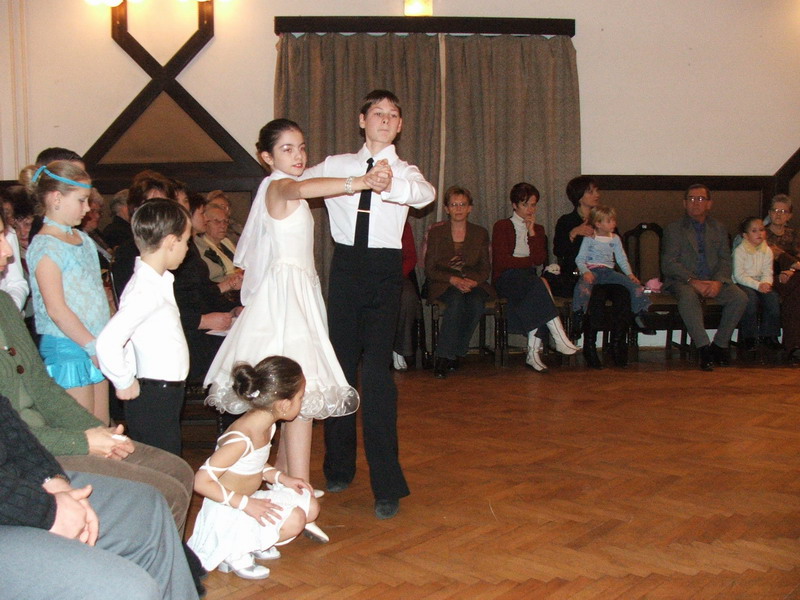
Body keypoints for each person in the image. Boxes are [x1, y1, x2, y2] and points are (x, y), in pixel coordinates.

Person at [205, 118, 371, 531]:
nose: (298, 156)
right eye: (287, 149)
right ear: (267, 157)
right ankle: (299, 491)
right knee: (300, 393)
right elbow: (302, 189)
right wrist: (359, 182)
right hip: (285, 300)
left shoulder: (282, 184)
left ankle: (285, 485)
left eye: (301, 147)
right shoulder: (278, 186)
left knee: (293, 397)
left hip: (298, 293)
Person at [0, 210, 194, 537]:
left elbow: (41, 386)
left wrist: (96, 430)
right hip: (29, 454)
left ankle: (165, 557)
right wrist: (82, 440)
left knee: (179, 470)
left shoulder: (4, 305)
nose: (8, 251)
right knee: (164, 490)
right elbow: (11, 438)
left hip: (47, 437)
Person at [304, 90, 436, 519]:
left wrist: (389, 183)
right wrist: (349, 183)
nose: (385, 119)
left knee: (377, 377)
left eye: (392, 115)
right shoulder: (338, 163)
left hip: (384, 271)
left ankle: (387, 485)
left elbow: (425, 195)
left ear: (400, 126)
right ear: (362, 120)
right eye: (377, 113)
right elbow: (299, 184)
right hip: (345, 267)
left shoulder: (406, 170)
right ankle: (338, 468)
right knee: (340, 370)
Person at [0, 393, 199, 600]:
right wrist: (45, 510)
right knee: (131, 589)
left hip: (14, 479)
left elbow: (7, 424)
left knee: (147, 507)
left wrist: (52, 479)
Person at [190, 356, 320, 581]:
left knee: (309, 505)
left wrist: (282, 478)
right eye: (300, 397)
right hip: (228, 510)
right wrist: (246, 504)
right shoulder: (241, 439)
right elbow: (200, 481)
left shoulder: (266, 425)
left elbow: (254, 465)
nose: (302, 401)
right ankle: (233, 552)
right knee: (296, 519)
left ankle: (255, 540)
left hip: (248, 499)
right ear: (283, 404)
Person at [97, 200, 192, 456]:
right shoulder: (145, 290)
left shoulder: (156, 283)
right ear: (171, 242)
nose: (187, 248)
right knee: (163, 462)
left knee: (167, 459)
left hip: (163, 393)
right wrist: (123, 380)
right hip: (154, 395)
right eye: (186, 241)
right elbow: (108, 341)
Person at [24, 161, 111, 423]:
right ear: (56, 198)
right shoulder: (45, 246)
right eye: (82, 200)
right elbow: (56, 309)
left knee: (102, 426)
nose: (88, 208)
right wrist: (92, 346)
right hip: (68, 347)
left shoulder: (83, 239)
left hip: (95, 341)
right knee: (83, 431)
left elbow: (97, 292)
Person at [492, 182, 579, 373]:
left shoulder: (538, 229)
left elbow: (539, 259)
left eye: (533, 205)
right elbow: (503, 261)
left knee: (537, 288)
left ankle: (534, 353)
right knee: (539, 285)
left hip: (528, 279)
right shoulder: (502, 226)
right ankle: (558, 336)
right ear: (515, 205)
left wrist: (531, 233)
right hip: (506, 278)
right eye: (525, 205)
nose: (530, 209)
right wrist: (528, 262)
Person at [661, 183, 747, 371]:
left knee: (739, 297)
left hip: (713, 280)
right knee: (688, 297)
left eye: (700, 199)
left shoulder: (718, 228)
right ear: (684, 203)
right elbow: (669, 263)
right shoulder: (674, 229)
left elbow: (725, 260)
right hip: (684, 281)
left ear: (709, 204)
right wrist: (693, 281)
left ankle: (720, 345)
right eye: (691, 199)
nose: (696, 203)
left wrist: (718, 281)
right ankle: (703, 348)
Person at [554, 176, 632, 368]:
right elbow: (559, 251)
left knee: (623, 293)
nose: (596, 194)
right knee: (596, 295)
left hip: (606, 274)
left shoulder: (604, 219)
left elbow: (618, 249)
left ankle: (617, 344)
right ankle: (590, 345)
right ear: (579, 196)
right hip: (580, 275)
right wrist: (574, 233)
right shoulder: (567, 221)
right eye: (591, 191)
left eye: (597, 190)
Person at [425, 186, 494, 378]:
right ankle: (443, 356)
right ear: (446, 208)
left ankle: (456, 351)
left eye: (462, 204)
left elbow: (485, 268)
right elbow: (430, 269)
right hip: (444, 282)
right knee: (455, 301)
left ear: (470, 208)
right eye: (454, 205)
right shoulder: (436, 233)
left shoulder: (480, 233)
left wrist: (473, 281)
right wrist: (453, 279)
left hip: (472, 282)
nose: (458, 209)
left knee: (476, 303)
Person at [173, 192, 240, 382]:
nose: (206, 218)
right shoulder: (188, 248)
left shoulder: (191, 248)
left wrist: (231, 310)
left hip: (200, 318)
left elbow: (203, 289)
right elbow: (182, 298)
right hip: (190, 329)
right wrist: (203, 320)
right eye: (202, 213)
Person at [572, 204, 652, 337]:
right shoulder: (589, 239)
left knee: (635, 286)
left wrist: (630, 274)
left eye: (613, 220)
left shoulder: (615, 239)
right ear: (598, 223)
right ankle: (579, 314)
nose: (613, 223)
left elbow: (621, 259)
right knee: (582, 287)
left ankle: (639, 313)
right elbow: (580, 259)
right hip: (592, 270)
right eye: (609, 221)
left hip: (608, 272)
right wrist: (585, 271)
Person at [733, 217, 781, 351]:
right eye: (754, 231)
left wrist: (766, 283)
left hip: (761, 283)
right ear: (745, 235)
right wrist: (757, 285)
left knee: (773, 299)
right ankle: (749, 337)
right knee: (750, 301)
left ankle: (770, 336)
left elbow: (768, 271)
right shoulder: (740, 251)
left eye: (761, 230)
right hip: (743, 283)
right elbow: (739, 275)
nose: (759, 233)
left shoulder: (767, 250)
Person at [764, 194, 800, 358]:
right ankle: (793, 345)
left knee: (795, 291)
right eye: (775, 210)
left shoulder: (794, 234)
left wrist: (791, 271)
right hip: (770, 276)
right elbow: (771, 254)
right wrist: (792, 265)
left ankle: (792, 345)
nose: (778, 214)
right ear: (769, 213)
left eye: (783, 211)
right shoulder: (761, 233)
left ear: (790, 215)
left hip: (791, 277)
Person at [392, 221, 421, 371]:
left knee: (408, 297)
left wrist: (397, 275)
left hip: (398, 274)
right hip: (372, 276)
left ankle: (399, 349)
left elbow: (411, 257)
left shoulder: (403, 223)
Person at [195, 204, 240, 284]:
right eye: (217, 221)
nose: (223, 226)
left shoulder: (226, 241)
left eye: (225, 221)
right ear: (205, 222)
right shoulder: (202, 247)